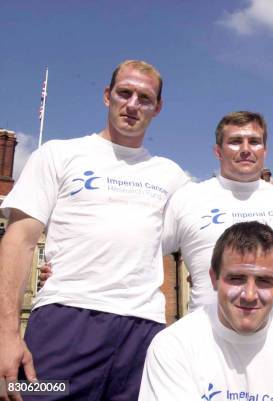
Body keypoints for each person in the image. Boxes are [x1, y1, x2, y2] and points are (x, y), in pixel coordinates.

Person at [0, 60, 188, 401]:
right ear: (107, 96)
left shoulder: (171, 175)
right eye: (124, 93)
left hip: (142, 330)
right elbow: (19, 240)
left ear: (157, 108)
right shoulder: (59, 154)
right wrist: (5, 334)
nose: (132, 105)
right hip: (66, 318)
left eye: (144, 98)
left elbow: (217, 219)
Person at [138, 221, 273, 400]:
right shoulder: (173, 347)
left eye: (264, 281)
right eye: (236, 278)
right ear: (214, 278)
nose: (250, 295)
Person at [162, 111, 273, 318]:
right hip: (207, 338)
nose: (246, 149)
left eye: (255, 142)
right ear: (218, 151)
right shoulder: (187, 198)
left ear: (265, 150)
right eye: (235, 141)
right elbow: (146, 253)